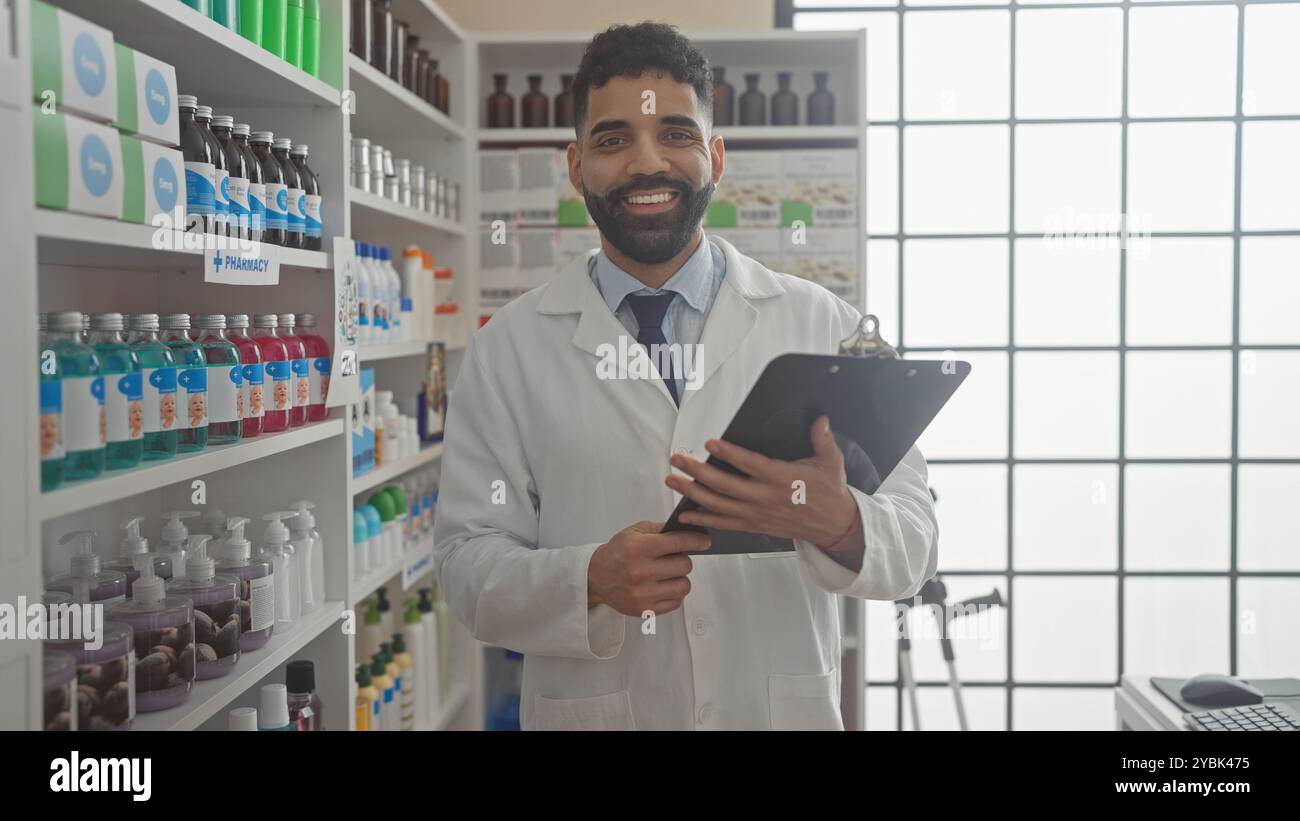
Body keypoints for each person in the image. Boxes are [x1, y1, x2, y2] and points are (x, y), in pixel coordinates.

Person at [434, 22, 938, 730]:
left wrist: (839, 520)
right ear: (575, 167)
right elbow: (465, 564)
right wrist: (587, 579)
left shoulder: (824, 325)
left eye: (676, 134)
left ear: (716, 156)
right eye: (613, 140)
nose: (647, 164)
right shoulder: (508, 350)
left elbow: (916, 536)